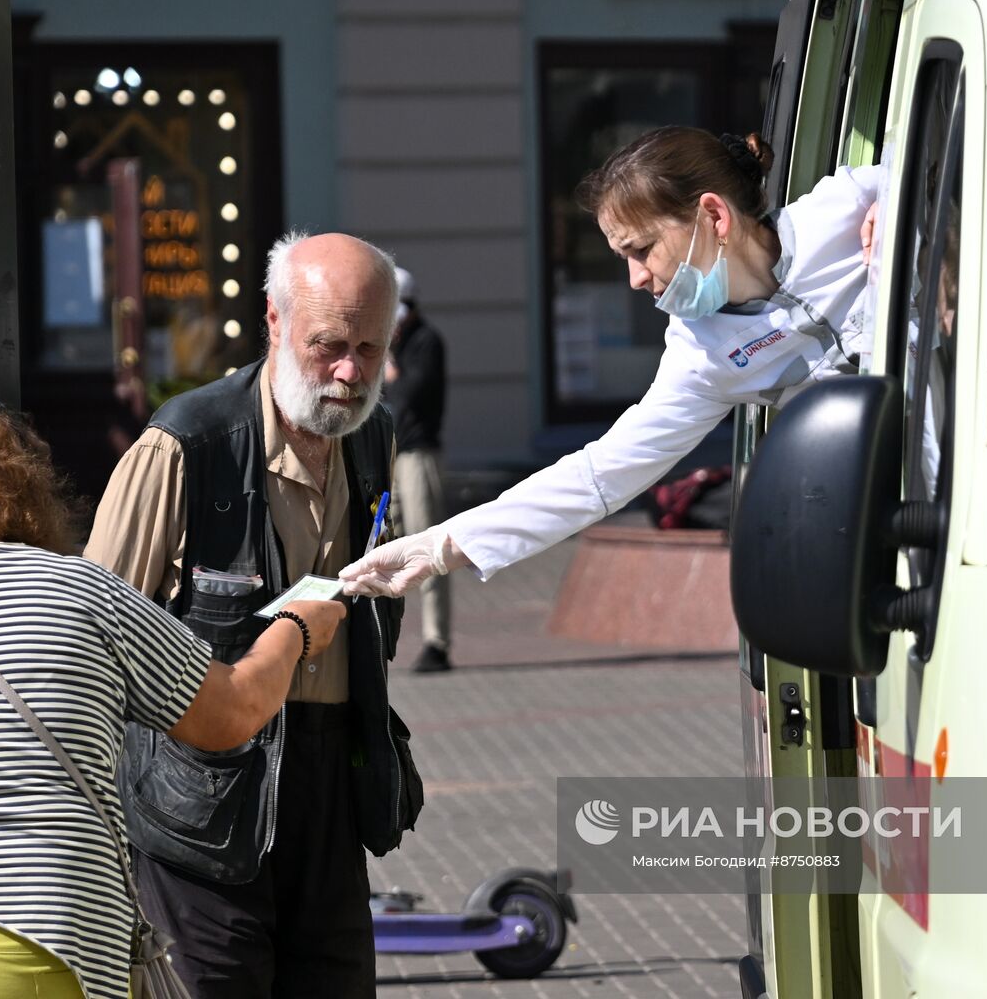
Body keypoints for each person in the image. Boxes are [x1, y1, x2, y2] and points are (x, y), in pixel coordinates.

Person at [0, 393, 343, 999]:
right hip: (42, 934)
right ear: (24, 493)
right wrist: (295, 629)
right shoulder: (84, 594)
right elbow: (235, 712)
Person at [341, 127, 878, 597]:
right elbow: (600, 475)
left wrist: (922, 200)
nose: (636, 278)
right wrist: (442, 546)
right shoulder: (702, 354)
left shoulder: (849, 205)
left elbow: (956, 132)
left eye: (641, 249)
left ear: (713, 215)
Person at [84, 232, 405, 999]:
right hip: (200, 800)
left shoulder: (373, 437)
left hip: (331, 789)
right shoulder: (185, 444)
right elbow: (89, 637)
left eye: (370, 346)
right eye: (328, 345)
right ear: (273, 321)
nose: (349, 372)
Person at [383, 266, 452, 672]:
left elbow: (409, 396)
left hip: (418, 455)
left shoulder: (426, 342)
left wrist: (392, 372)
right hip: (390, 456)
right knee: (385, 546)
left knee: (431, 548)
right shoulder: (388, 345)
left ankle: (437, 641)